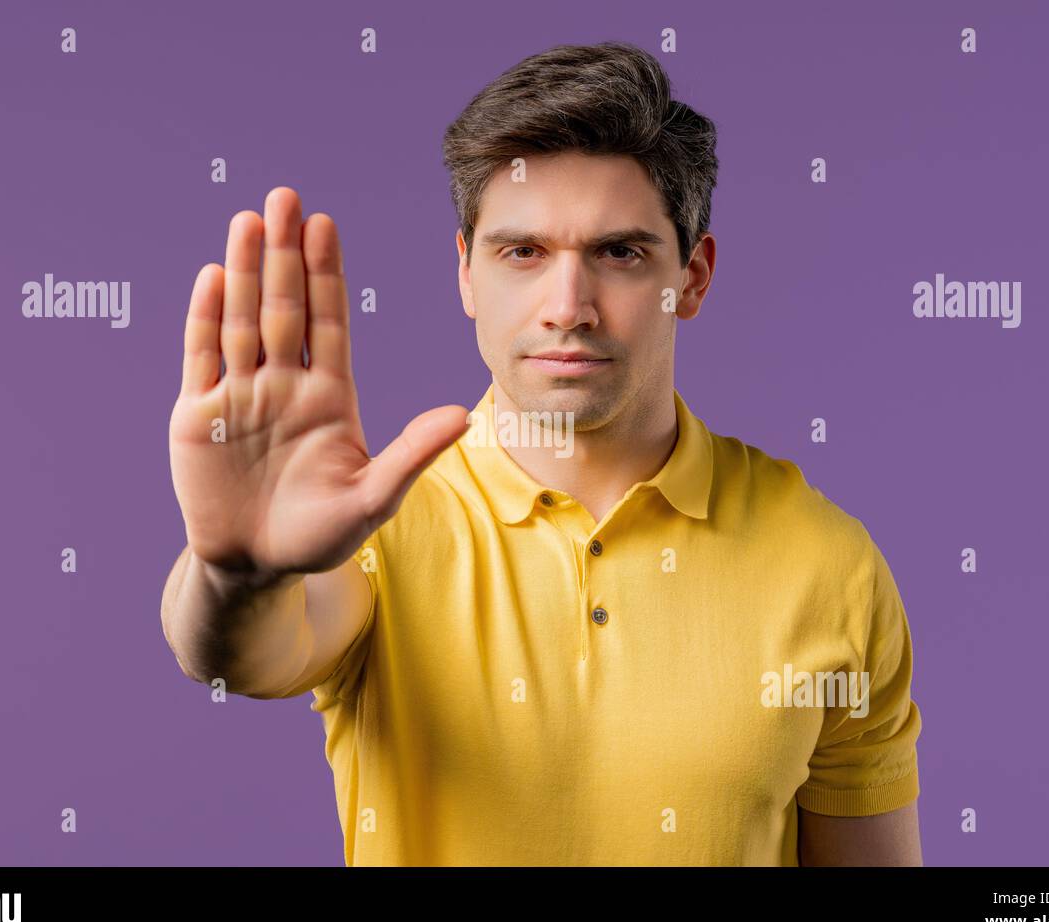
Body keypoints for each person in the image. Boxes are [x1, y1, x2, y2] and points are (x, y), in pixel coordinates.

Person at [160, 41, 922, 866]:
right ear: (465, 276)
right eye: (522, 253)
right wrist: (240, 575)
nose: (568, 307)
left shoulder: (829, 563)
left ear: (692, 277)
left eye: (619, 253)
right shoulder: (374, 526)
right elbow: (241, 656)